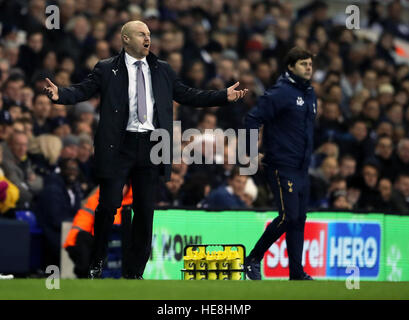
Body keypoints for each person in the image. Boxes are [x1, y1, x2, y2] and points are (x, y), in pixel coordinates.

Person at [43, 20, 247, 279]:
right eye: (142, 34)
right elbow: (83, 90)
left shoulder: (162, 70)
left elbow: (189, 95)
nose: (148, 38)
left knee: (145, 211)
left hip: (152, 145)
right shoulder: (107, 69)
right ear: (125, 39)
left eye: (149, 34)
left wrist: (222, 96)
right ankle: (96, 262)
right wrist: (60, 94)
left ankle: (134, 272)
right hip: (118, 146)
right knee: (108, 206)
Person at [244, 47, 316, 280]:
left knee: (298, 220)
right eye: (303, 64)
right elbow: (252, 118)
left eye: (310, 64)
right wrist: (251, 152)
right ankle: (253, 258)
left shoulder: (309, 93)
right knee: (288, 216)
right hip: (282, 165)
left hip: (302, 167)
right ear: (290, 67)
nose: (308, 68)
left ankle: (296, 272)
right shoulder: (280, 92)